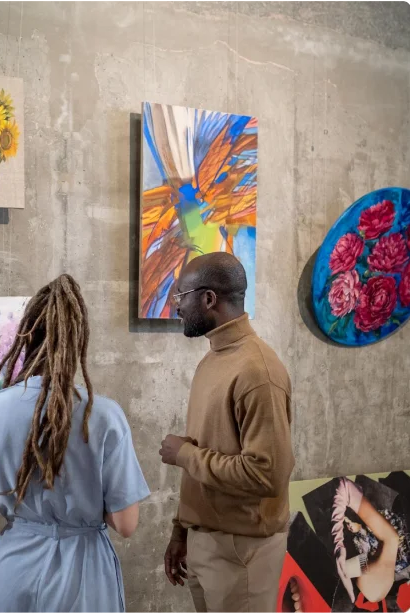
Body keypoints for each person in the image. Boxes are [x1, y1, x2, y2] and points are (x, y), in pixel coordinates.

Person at [0, 274, 151, 613]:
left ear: (26, 336)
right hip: (83, 576)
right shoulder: (103, 416)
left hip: (14, 573)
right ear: (78, 339)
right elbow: (126, 523)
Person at [158, 252, 295, 613]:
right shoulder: (212, 361)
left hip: (243, 551)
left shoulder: (257, 372)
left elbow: (267, 474)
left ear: (208, 299)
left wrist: (184, 454)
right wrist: (182, 530)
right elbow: (207, 452)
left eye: (180, 296)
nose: (176, 307)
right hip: (205, 542)